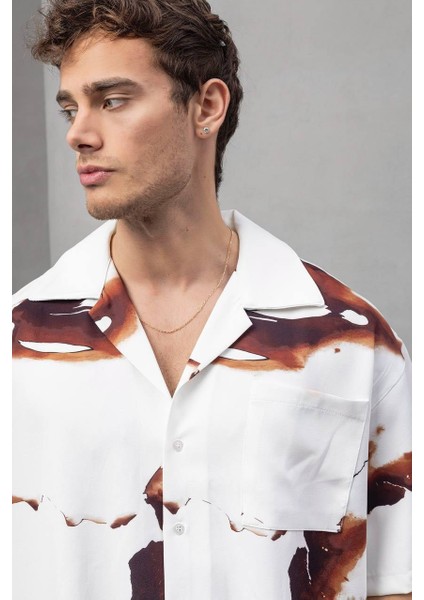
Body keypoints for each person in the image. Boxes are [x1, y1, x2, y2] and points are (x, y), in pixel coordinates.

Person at [12, 1, 412, 598]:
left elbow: (395, 580)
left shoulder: (352, 342)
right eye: (71, 108)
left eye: (112, 100)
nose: (78, 133)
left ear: (206, 107)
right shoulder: (17, 342)